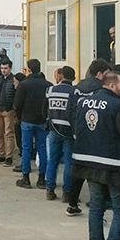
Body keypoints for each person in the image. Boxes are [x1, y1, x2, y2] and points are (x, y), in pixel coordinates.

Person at [72, 71, 120, 240]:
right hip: (116, 166)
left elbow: (79, 129)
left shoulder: (84, 103)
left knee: (96, 208)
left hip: (89, 163)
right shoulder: (117, 106)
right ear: (111, 86)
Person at [64, 59, 112, 211]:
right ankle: (98, 201)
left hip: (79, 133)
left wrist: (75, 131)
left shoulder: (77, 87)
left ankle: (72, 202)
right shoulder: (101, 90)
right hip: (96, 134)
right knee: (99, 168)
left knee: (79, 168)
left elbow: (70, 111)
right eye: (106, 74)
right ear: (99, 74)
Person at [14, 59, 51, 189]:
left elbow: (17, 104)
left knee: (26, 149)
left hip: (27, 120)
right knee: (42, 149)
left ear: (29, 69)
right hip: (42, 121)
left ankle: (26, 178)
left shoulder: (24, 85)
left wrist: (19, 117)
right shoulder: (48, 85)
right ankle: (42, 179)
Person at [44, 65, 77, 207]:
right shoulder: (75, 92)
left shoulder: (51, 90)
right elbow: (75, 112)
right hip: (69, 132)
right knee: (69, 163)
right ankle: (67, 193)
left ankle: (50, 190)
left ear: (61, 75)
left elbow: (45, 108)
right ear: (73, 78)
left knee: (52, 160)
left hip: (53, 130)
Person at [0, 60, 18, 168]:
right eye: (2, 68)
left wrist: (13, 108)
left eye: (5, 68)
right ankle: (1, 154)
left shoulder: (14, 80)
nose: (3, 70)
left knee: (9, 133)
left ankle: (9, 157)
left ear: (10, 68)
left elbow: (16, 94)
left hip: (8, 110)